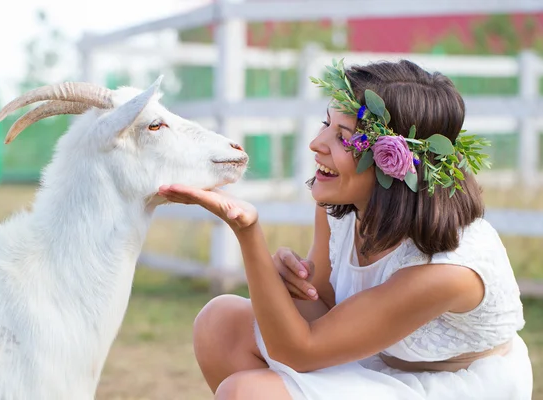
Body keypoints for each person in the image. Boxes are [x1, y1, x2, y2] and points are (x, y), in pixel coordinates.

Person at [158, 59, 533, 400]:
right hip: (377, 360)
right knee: (220, 322)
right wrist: (278, 281)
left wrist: (247, 231)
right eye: (326, 125)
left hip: (457, 385)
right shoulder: (342, 207)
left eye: (342, 137)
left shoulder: (447, 269)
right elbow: (323, 307)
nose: (316, 144)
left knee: (248, 393)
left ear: (392, 164)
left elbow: (301, 350)